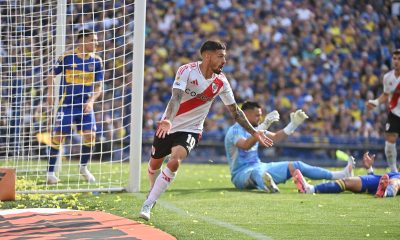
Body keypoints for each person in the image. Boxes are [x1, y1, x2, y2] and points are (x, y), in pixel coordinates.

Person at [139, 40, 273, 221]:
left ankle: (148, 203)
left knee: (175, 160)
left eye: (225, 57)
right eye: (220, 56)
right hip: (169, 124)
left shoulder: (222, 82)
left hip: (192, 129)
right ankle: (153, 191)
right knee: (155, 163)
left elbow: (235, 112)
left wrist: (254, 132)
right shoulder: (186, 71)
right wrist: (169, 121)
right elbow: (176, 98)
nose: (224, 61)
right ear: (207, 56)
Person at [224, 101, 354, 193]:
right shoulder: (234, 131)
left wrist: (293, 125)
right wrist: (264, 125)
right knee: (257, 173)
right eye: (257, 115)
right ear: (245, 115)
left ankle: (341, 175)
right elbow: (246, 145)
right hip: (241, 174)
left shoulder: (257, 128)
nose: (260, 118)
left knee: (296, 165)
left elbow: (275, 137)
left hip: (260, 166)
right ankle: (268, 185)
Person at [46, 29, 103, 184]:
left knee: (90, 135)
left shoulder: (96, 61)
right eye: (92, 40)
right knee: (58, 136)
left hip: (84, 104)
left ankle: (83, 167)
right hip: (67, 104)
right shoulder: (67, 57)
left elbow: (99, 86)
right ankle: (50, 173)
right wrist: (50, 94)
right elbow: (51, 74)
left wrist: (91, 101)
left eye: (96, 40)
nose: (96, 43)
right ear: (82, 41)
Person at [294, 151, 400, 197]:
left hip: (394, 179)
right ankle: (310, 189)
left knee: (395, 182)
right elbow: (376, 181)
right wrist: (369, 169)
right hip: (378, 180)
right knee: (347, 181)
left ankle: (385, 193)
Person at [366, 49, 400, 173]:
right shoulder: (387, 77)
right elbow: (386, 95)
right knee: (390, 142)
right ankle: (394, 171)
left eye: (399, 59)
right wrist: (375, 102)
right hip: (395, 113)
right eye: (394, 58)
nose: (396, 61)